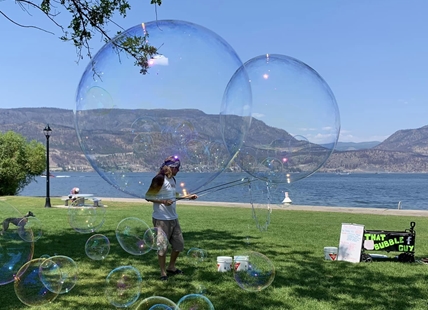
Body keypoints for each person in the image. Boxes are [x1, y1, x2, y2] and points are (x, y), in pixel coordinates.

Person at [145, 155, 197, 281]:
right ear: (170, 167)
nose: (178, 170)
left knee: (179, 245)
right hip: (161, 219)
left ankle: (171, 267)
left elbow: (174, 195)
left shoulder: (172, 179)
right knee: (162, 247)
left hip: (173, 218)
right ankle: (163, 273)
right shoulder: (159, 179)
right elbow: (147, 196)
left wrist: (187, 197)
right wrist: (163, 201)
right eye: (177, 168)